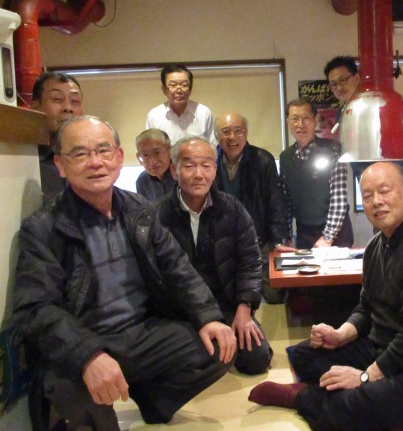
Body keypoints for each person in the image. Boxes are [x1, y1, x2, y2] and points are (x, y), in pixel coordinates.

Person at [14, 115, 236, 429]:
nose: (95, 162)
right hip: (86, 338)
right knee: (71, 397)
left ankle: (153, 401)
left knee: (218, 346)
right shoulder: (42, 228)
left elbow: (177, 267)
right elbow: (36, 308)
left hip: (140, 332)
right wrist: (88, 355)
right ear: (60, 164)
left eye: (103, 151)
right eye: (80, 153)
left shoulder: (139, 209)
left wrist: (209, 316)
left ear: (119, 157)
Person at [249, 162, 403, 431]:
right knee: (304, 355)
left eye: (385, 191)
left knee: (353, 406)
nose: (376, 201)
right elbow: (366, 307)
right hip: (381, 348)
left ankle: (304, 397)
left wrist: (367, 376)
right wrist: (341, 335)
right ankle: (377, 408)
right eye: (368, 196)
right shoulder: (375, 246)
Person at [157, 136, 272, 375]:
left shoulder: (233, 209)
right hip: (180, 310)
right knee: (186, 364)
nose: (199, 174)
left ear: (215, 170)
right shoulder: (157, 215)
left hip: (226, 304)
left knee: (256, 359)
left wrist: (244, 309)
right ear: (174, 171)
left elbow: (251, 261)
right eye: (189, 166)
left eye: (206, 165)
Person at [324, 55, 403, 210]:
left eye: (343, 80)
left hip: (397, 183)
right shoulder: (342, 114)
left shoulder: (382, 106)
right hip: (371, 183)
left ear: (357, 77)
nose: (339, 87)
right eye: (333, 84)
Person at [280, 98, 357, 326]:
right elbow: (286, 199)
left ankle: (345, 334)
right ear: (288, 122)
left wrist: (328, 236)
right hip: (305, 231)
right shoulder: (285, 157)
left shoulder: (333, 149)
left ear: (315, 120)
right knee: (313, 289)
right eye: (294, 119)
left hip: (335, 231)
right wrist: (287, 235)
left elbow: (339, 198)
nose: (300, 124)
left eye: (305, 118)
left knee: (338, 289)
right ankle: (320, 334)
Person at [214, 112, 295, 304]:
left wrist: (279, 240)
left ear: (246, 133)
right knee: (230, 295)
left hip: (260, 237)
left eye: (238, 131)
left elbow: (276, 202)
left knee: (274, 295)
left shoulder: (262, 159)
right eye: (225, 132)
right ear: (217, 136)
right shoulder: (210, 161)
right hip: (224, 239)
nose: (232, 137)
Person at [31, 71, 84, 206]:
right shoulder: (24, 160)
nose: (68, 108)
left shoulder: (92, 159)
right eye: (57, 99)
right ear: (35, 107)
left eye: (75, 101)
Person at [146, 64, 217, 146]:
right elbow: (150, 148)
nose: (179, 90)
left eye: (184, 85)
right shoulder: (154, 116)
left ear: (190, 89)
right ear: (164, 89)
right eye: (173, 85)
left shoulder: (204, 113)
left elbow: (213, 146)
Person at [135, 128, 176, 201]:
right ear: (139, 158)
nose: (152, 161)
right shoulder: (142, 181)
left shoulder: (182, 176)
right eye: (145, 155)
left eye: (157, 153)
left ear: (170, 151)